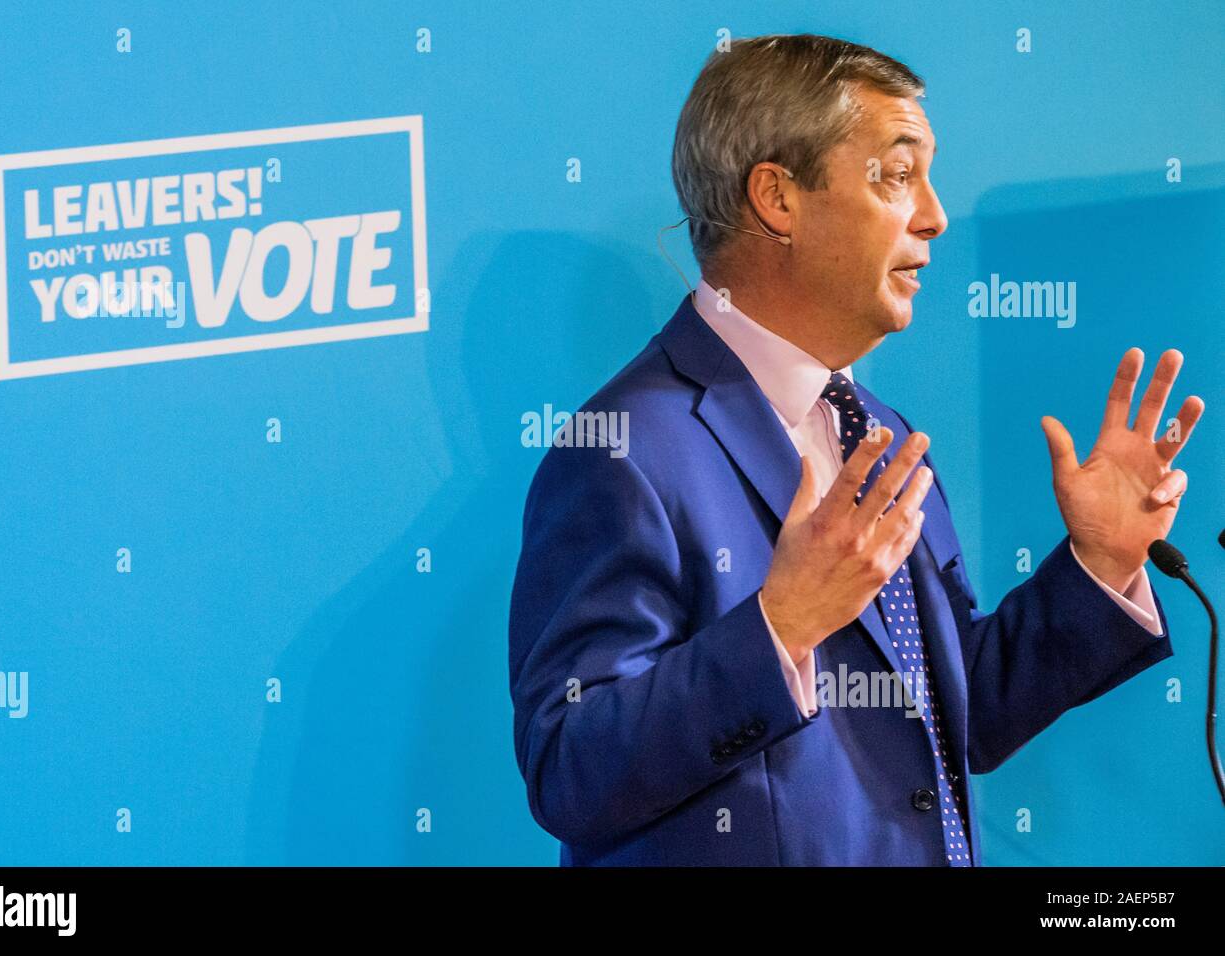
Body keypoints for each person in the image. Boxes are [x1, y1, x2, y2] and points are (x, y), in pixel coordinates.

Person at [508, 34, 1204, 866]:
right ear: (778, 198)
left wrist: (1096, 566)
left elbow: (950, 715)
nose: (936, 214)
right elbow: (568, 767)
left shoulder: (877, 428)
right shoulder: (625, 450)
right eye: (898, 175)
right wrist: (782, 625)